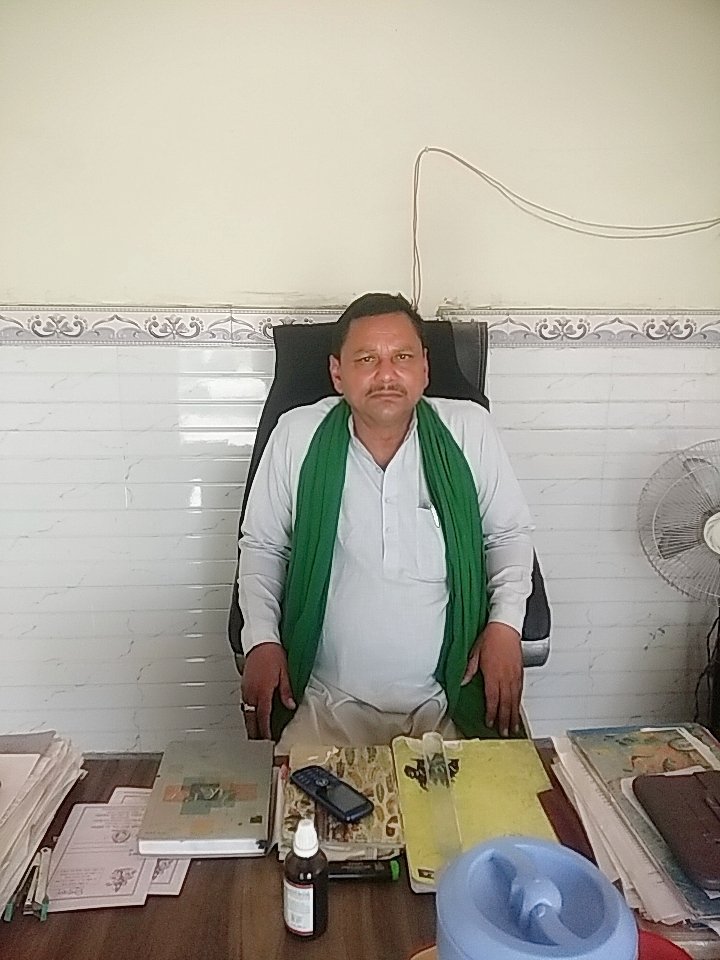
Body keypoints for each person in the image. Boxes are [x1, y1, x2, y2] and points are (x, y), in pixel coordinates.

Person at [238, 293, 533, 751]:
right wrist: (260, 639)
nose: (386, 375)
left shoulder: (468, 430)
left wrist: (506, 626)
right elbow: (263, 546)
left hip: (447, 700)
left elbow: (507, 534)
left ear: (425, 368)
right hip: (323, 702)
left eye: (402, 357)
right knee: (305, 799)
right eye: (366, 359)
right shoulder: (298, 434)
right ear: (338, 373)